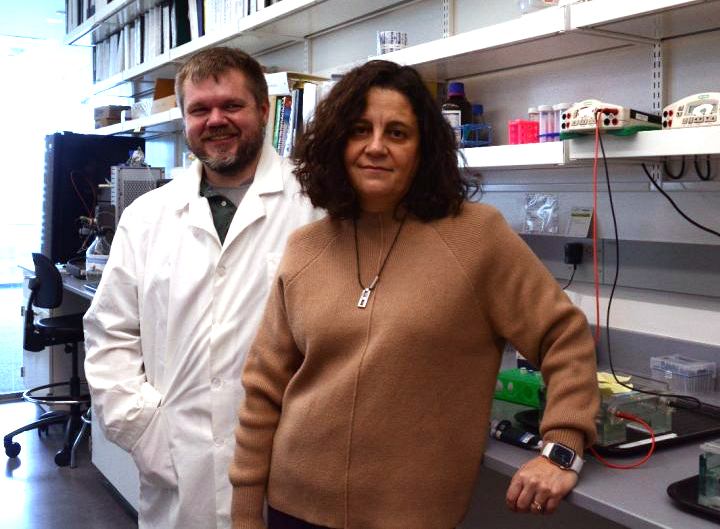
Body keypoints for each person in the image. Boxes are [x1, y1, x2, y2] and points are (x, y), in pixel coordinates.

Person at [229, 59, 599, 529]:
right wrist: (246, 510)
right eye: (359, 130)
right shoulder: (306, 247)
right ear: (337, 143)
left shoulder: (476, 237)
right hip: (293, 506)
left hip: (412, 516)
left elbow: (563, 336)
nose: (376, 146)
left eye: (398, 133)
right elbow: (264, 389)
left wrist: (562, 445)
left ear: (424, 149)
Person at [83, 46, 322, 529]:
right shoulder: (146, 217)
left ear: (264, 109)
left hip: (290, 462)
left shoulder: (318, 206)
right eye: (200, 109)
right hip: (176, 460)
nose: (216, 120)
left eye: (232, 105)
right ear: (185, 119)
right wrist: (142, 427)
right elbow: (110, 335)